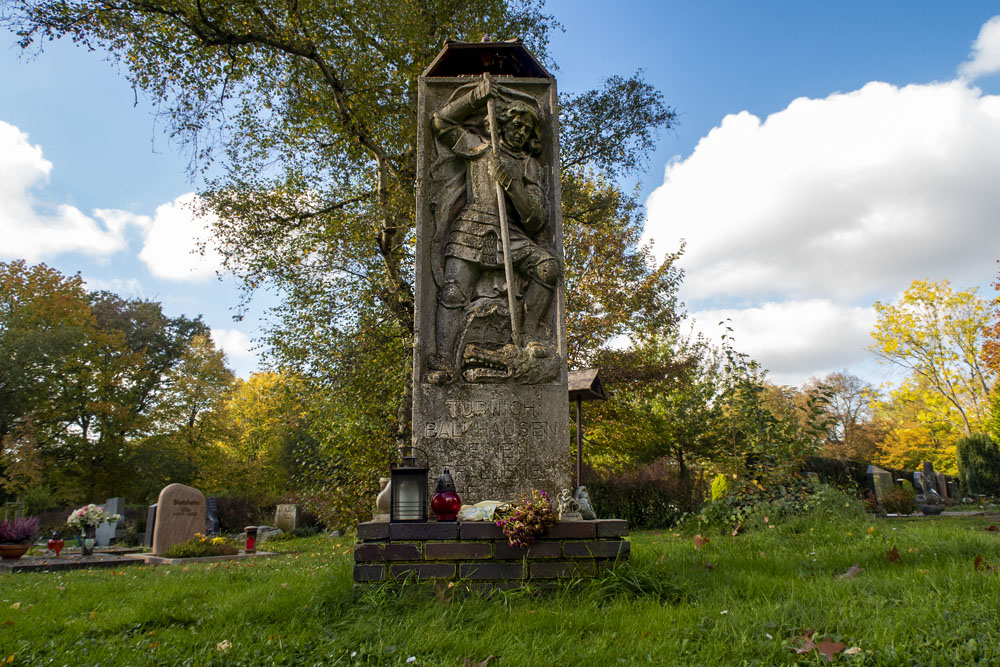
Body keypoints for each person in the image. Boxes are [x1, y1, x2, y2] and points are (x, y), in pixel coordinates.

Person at [428, 77, 559, 380]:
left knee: (548, 268)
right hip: (473, 226)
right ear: (501, 124)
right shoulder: (480, 147)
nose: (521, 131)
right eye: (516, 124)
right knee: (451, 293)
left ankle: (527, 337)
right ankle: (444, 361)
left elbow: (537, 220)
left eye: (527, 129)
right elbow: (441, 123)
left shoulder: (530, 165)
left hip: (511, 233)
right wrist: (475, 97)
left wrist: (512, 185)